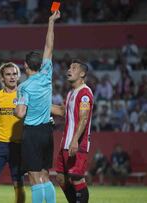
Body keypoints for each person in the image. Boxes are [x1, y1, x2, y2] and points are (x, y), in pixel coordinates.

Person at [14, 11, 61, 203]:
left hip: (32, 133)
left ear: (25, 66)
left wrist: (16, 106)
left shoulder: (23, 87)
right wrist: (51, 22)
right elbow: (49, 46)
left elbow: (20, 113)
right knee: (45, 174)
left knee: (34, 178)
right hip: (47, 131)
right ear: (40, 65)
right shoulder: (46, 74)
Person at [0, 62, 26, 203]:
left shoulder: (24, 94)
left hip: (18, 144)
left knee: (18, 183)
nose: (12, 77)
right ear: (2, 78)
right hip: (0, 144)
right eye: (8, 74)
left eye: (14, 74)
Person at [54, 59, 94, 203]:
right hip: (66, 142)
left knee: (76, 178)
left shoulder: (84, 93)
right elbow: (62, 111)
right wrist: (38, 102)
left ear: (82, 73)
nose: (69, 70)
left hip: (77, 142)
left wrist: (75, 140)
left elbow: (84, 118)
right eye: (69, 67)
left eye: (74, 68)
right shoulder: (71, 93)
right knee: (61, 178)